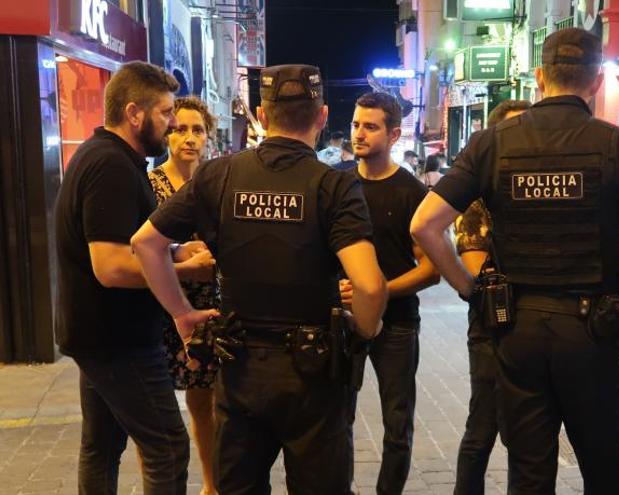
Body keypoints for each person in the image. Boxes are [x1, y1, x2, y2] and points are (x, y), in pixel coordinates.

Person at [411, 28, 619, 493]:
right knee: (603, 471)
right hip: (591, 331)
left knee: (529, 473)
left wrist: (471, 290)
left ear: (539, 77)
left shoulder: (491, 142)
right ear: (596, 81)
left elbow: (424, 225)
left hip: (516, 330)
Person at [131, 64, 389, 494]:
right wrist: (365, 328)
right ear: (322, 116)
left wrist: (182, 313)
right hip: (314, 373)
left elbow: (145, 244)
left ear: (262, 116)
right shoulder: (334, 186)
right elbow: (371, 285)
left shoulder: (219, 176)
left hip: (239, 367)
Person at [54, 61, 216, 494]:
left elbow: (127, 241)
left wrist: (178, 249)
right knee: (167, 446)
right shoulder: (112, 166)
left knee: (102, 448)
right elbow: (111, 266)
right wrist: (183, 271)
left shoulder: (109, 157)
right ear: (134, 113)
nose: (170, 125)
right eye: (165, 114)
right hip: (117, 341)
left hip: (99, 337)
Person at [342, 92, 440, 494]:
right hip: (344, 321)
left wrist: (378, 293)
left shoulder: (413, 193)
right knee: (338, 419)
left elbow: (431, 271)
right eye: (355, 124)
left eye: (370, 126)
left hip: (398, 327)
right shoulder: (338, 185)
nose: (359, 134)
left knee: (397, 425)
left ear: (394, 133)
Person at [453, 99, 531, 495]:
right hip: (492, 328)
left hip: (539, 327)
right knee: (481, 430)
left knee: (531, 437)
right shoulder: (478, 197)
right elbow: (474, 267)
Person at [147, 95, 220, 495]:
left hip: (209, 300)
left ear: (208, 137)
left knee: (205, 403)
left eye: (197, 130)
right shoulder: (151, 183)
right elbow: (142, 248)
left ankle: (212, 485)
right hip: (162, 303)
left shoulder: (212, 184)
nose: (188, 138)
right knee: (156, 413)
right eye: (179, 129)